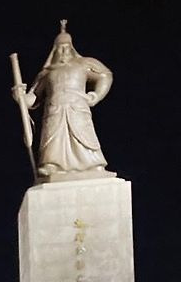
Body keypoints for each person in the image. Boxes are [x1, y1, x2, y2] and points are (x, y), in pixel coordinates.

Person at [14, 20, 114, 179]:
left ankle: (93, 164)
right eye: (60, 48)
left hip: (77, 107)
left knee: (84, 135)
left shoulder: (83, 64)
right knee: (54, 140)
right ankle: (52, 165)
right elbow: (34, 97)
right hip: (54, 109)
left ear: (72, 48)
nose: (63, 51)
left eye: (66, 47)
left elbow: (105, 75)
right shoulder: (47, 72)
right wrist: (21, 98)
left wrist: (95, 95)